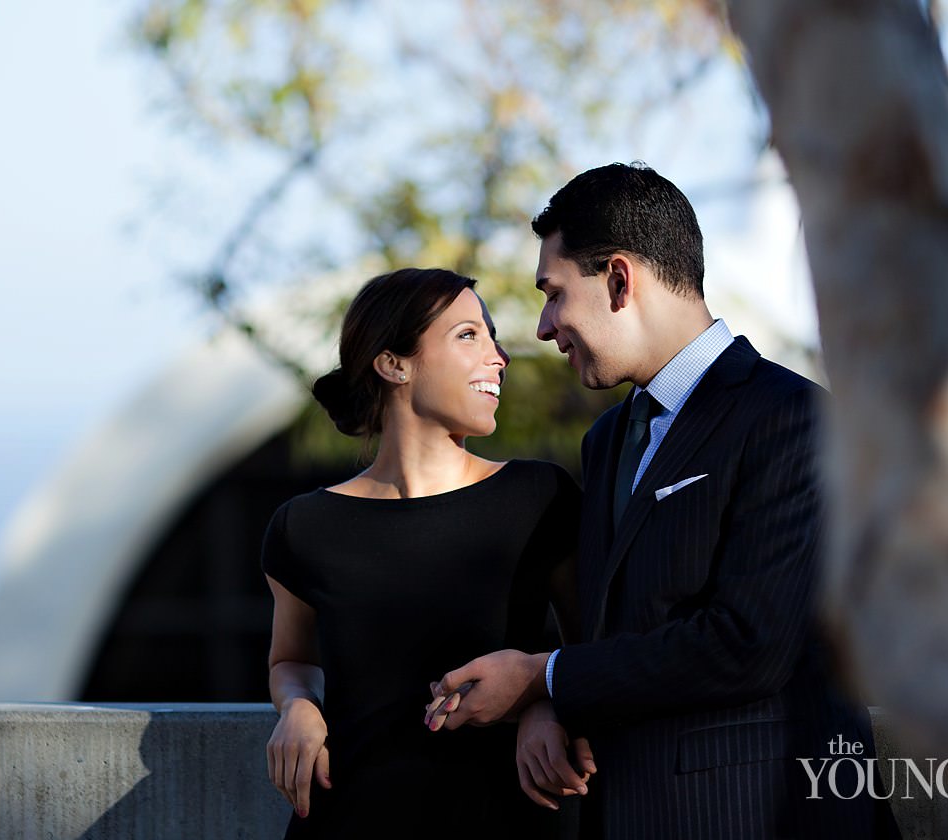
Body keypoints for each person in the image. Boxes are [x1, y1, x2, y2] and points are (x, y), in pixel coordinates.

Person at [427, 164, 899, 839]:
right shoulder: (608, 439)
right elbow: (608, 630)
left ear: (620, 280)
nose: (543, 326)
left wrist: (543, 678)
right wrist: (546, 706)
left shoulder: (795, 418)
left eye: (555, 294)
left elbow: (751, 644)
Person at [261, 267, 582, 838]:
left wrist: (544, 703)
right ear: (395, 365)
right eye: (469, 336)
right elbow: (292, 661)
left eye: (491, 336)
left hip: (507, 822)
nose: (500, 356)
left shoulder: (540, 498)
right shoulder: (304, 526)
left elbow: (597, 652)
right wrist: (298, 707)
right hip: (347, 820)